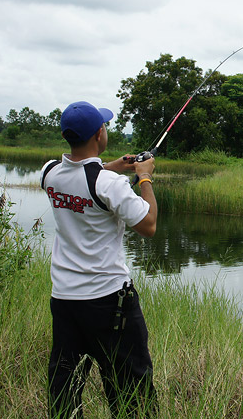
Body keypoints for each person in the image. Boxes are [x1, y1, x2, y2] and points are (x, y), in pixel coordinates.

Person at [41, 101, 158, 418]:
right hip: (109, 304)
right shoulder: (108, 184)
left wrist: (115, 165)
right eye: (104, 126)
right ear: (98, 134)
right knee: (131, 388)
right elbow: (148, 225)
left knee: (65, 385)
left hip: (65, 301)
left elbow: (80, 176)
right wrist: (144, 178)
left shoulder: (49, 173)